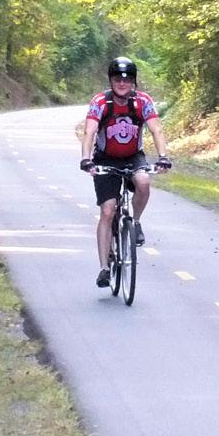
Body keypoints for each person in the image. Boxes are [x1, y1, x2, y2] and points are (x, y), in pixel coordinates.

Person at [78, 57, 172, 289]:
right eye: (117, 79)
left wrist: (163, 156)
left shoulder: (142, 102)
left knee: (143, 181)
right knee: (108, 211)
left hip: (133, 156)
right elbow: (90, 132)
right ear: (111, 81)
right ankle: (104, 268)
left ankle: (135, 222)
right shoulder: (101, 102)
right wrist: (86, 159)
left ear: (133, 82)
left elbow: (156, 130)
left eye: (127, 79)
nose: (122, 83)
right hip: (105, 158)